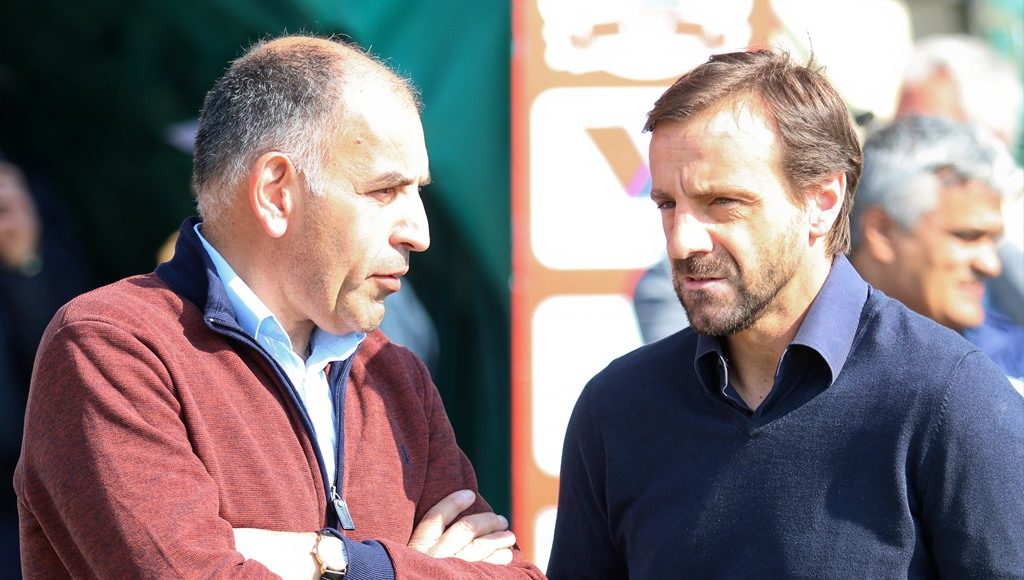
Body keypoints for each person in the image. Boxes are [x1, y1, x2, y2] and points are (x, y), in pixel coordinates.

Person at [15, 35, 543, 579]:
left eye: (419, 192)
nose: (419, 233)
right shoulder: (111, 348)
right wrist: (416, 568)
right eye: (384, 191)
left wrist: (334, 560)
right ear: (275, 192)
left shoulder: (395, 376)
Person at [547, 49, 1024, 578]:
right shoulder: (616, 410)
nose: (682, 241)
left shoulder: (949, 398)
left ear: (822, 200)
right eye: (667, 205)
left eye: (723, 202)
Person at [850, 115, 1024, 393]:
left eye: (993, 240)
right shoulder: (793, 351)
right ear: (882, 231)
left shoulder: (1010, 365)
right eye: (967, 236)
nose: (991, 265)